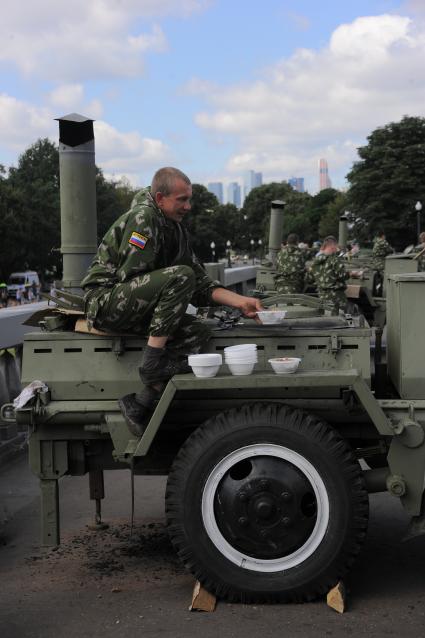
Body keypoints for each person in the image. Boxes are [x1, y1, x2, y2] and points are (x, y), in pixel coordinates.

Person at [81, 167, 263, 436]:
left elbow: (200, 283)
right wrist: (175, 290)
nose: (188, 206)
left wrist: (240, 302)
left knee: (198, 331)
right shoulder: (143, 219)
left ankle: (139, 403)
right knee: (180, 276)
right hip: (106, 301)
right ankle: (152, 362)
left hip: (135, 302)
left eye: (189, 199)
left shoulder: (174, 229)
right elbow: (133, 278)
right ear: (159, 198)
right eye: (181, 200)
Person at [310, 235, 349, 314]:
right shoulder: (334, 260)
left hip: (322, 295)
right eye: (336, 247)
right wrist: (350, 274)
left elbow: (310, 277)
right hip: (336, 297)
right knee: (341, 320)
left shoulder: (315, 262)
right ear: (332, 246)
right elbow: (343, 275)